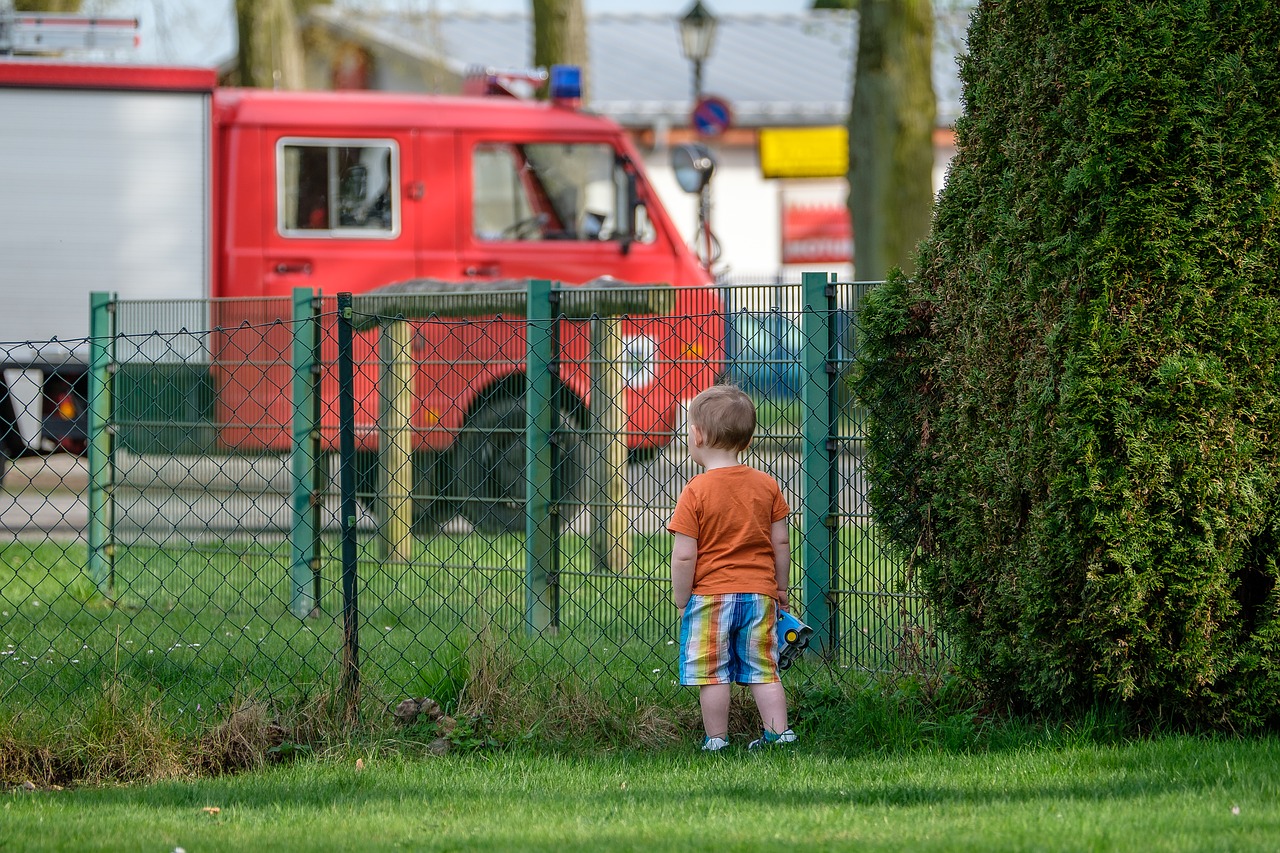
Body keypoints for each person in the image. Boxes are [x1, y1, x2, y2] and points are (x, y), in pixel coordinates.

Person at [667, 384, 797, 751]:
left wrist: (682, 600)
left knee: (712, 673)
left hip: (710, 597)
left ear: (697, 435)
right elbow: (781, 543)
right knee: (763, 669)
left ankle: (717, 739)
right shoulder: (766, 485)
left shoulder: (695, 491)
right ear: (748, 438)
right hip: (759, 595)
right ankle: (779, 734)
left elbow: (684, 556)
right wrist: (780, 589)